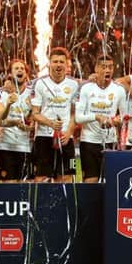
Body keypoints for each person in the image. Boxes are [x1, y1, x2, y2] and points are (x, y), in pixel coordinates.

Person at [75, 55, 127, 183]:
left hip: (110, 141)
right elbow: (78, 118)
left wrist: (115, 121)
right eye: (104, 67)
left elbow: (125, 117)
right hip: (89, 141)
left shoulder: (119, 90)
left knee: (110, 182)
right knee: (90, 181)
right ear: (96, 69)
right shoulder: (86, 89)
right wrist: (96, 117)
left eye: (110, 67)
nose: (107, 70)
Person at [31, 47, 79, 183]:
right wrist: (50, 123)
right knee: (41, 178)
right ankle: (41, 204)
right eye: (55, 61)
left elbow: (75, 113)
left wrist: (69, 131)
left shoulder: (74, 85)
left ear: (67, 64)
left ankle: (63, 204)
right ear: (49, 64)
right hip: (44, 137)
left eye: (61, 62)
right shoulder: (40, 83)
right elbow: (35, 113)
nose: (58, 65)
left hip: (65, 137)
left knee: (66, 177)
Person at [0, 59, 34, 183]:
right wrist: (15, 122)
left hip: (24, 147)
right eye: (16, 68)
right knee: (8, 186)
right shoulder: (2, 93)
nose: (19, 70)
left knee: (25, 187)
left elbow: (33, 118)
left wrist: (31, 126)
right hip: (5, 146)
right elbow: (1, 121)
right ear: (10, 74)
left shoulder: (31, 93)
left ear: (26, 74)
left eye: (22, 68)